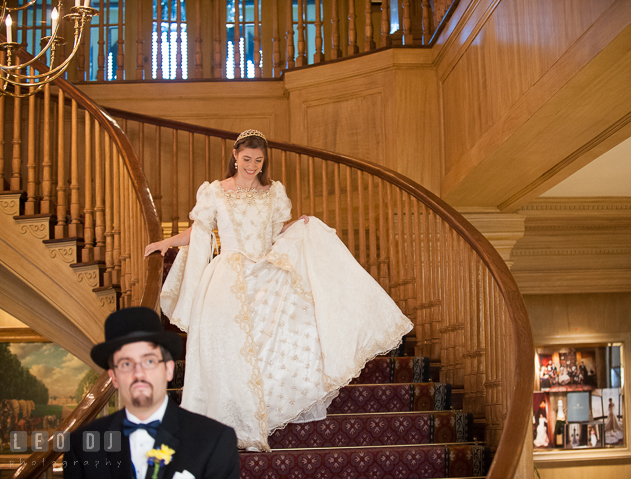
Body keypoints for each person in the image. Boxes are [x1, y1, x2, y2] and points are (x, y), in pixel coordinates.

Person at [145, 129, 413, 451]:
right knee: (224, 350)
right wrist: (165, 242)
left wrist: (298, 225)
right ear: (235, 155)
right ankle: (219, 423)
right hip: (226, 277)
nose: (252, 165)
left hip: (263, 271)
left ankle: (255, 415)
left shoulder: (273, 193)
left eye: (258, 160)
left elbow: (274, 233)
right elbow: (199, 231)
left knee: (282, 334)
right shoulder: (215, 192)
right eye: (247, 159)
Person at [63, 307, 240, 478]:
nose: (138, 373)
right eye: (126, 364)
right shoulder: (81, 445)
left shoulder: (214, 440)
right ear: (114, 377)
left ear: (169, 370)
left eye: (149, 361)